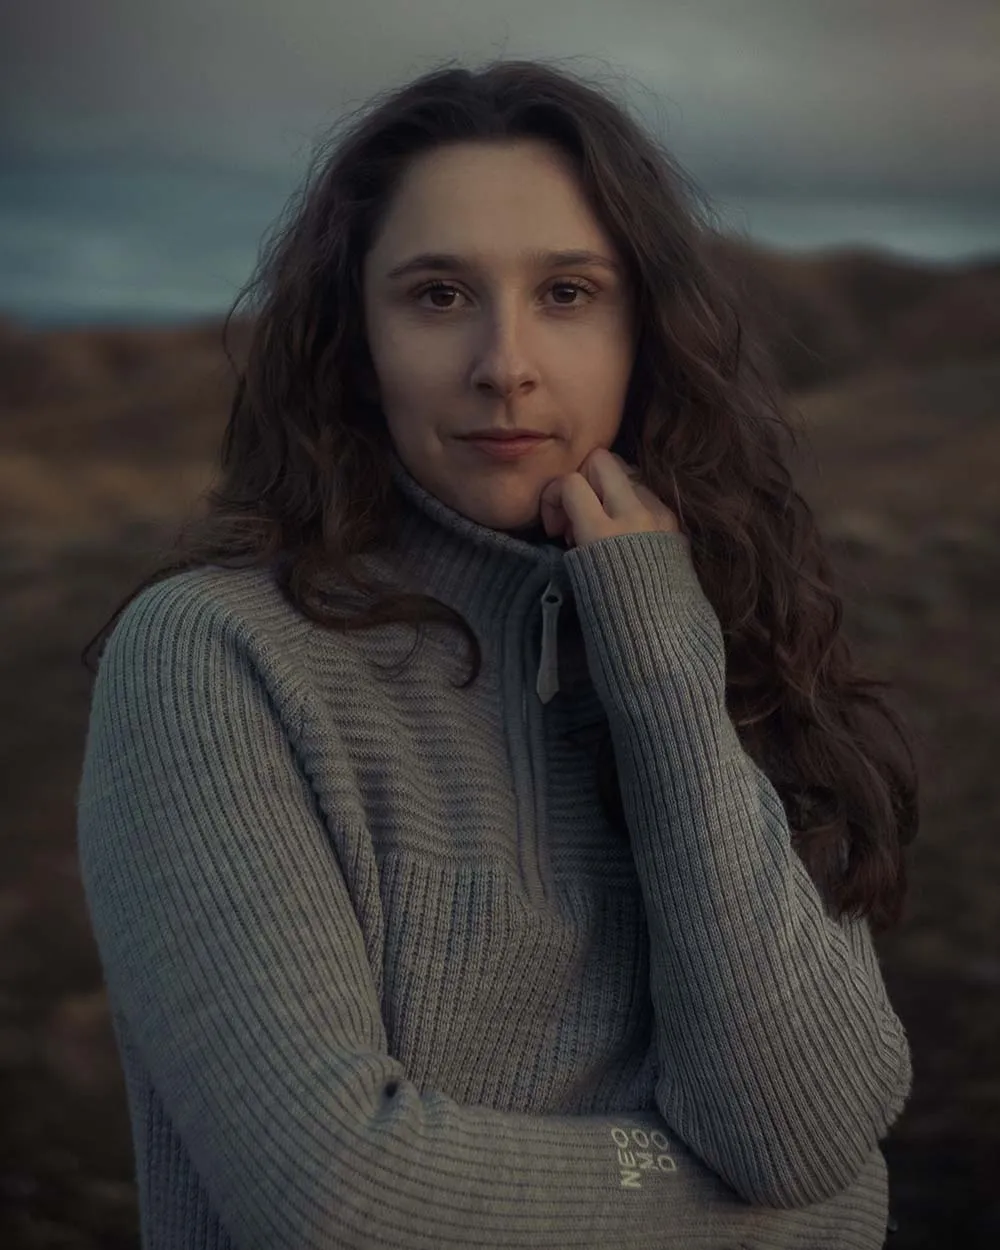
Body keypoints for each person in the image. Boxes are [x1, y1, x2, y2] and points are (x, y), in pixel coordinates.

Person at [77, 57, 917, 1250]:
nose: (504, 363)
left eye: (568, 292)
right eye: (436, 295)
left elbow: (799, 1131)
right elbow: (337, 1196)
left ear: (646, 331)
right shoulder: (218, 661)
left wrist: (663, 673)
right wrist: (777, 1222)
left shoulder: (714, 638)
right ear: (353, 338)